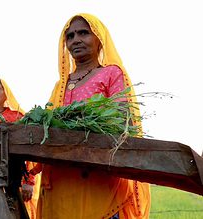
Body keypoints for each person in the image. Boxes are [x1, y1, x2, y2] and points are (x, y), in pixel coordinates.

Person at [34, 13, 151, 218]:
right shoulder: (60, 86)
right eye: (70, 36)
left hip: (99, 182)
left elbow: (120, 120)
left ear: (98, 38)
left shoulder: (111, 74)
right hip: (62, 184)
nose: (75, 40)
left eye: (83, 33)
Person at [0, 76, 40, 218]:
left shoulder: (16, 117)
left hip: (11, 181)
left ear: (5, 93)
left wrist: (28, 182)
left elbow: (29, 151)